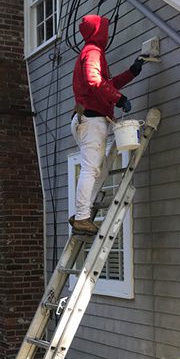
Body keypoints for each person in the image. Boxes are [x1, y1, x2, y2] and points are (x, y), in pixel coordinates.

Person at [70, 14, 147, 234]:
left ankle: (81, 213)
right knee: (91, 168)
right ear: (98, 30)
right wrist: (119, 99)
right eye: (105, 28)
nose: (107, 32)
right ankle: (82, 217)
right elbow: (95, 81)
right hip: (92, 120)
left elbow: (106, 83)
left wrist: (132, 72)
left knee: (99, 171)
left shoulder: (90, 52)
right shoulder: (93, 51)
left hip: (87, 119)